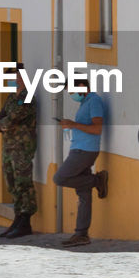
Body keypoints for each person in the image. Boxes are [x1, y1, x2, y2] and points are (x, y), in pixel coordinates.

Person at [53, 88, 108, 247]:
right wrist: (70, 125)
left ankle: (97, 180)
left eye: (71, 91)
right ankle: (81, 234)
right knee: (83, 194)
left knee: (60, 178)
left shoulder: (94, 101)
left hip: (84, 150)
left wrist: (74, 124)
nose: (71, 95)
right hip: (79, 148)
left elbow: (97, 128)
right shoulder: (85, 102)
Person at [0, 65, 38, 238]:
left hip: (22, 147)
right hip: (9, 146)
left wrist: (2, 123)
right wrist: (2, 122)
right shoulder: (12, 97)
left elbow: (10, 119)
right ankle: (17, 217)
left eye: (16, 77)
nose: (13, 81)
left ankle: (25, 220)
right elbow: (0, 118)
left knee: (23, 182)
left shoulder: (27, 98)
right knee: (11, 182)